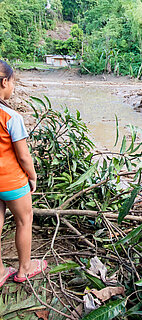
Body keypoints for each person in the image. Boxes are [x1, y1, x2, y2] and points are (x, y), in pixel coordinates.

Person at [0, 60, 47, 287]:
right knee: (24, 220)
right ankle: (25, 268)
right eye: (13, 83)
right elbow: (24, 157)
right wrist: (33, 176)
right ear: (4, 82)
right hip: (11, 182)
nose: (13, 88)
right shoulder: (11, 117)